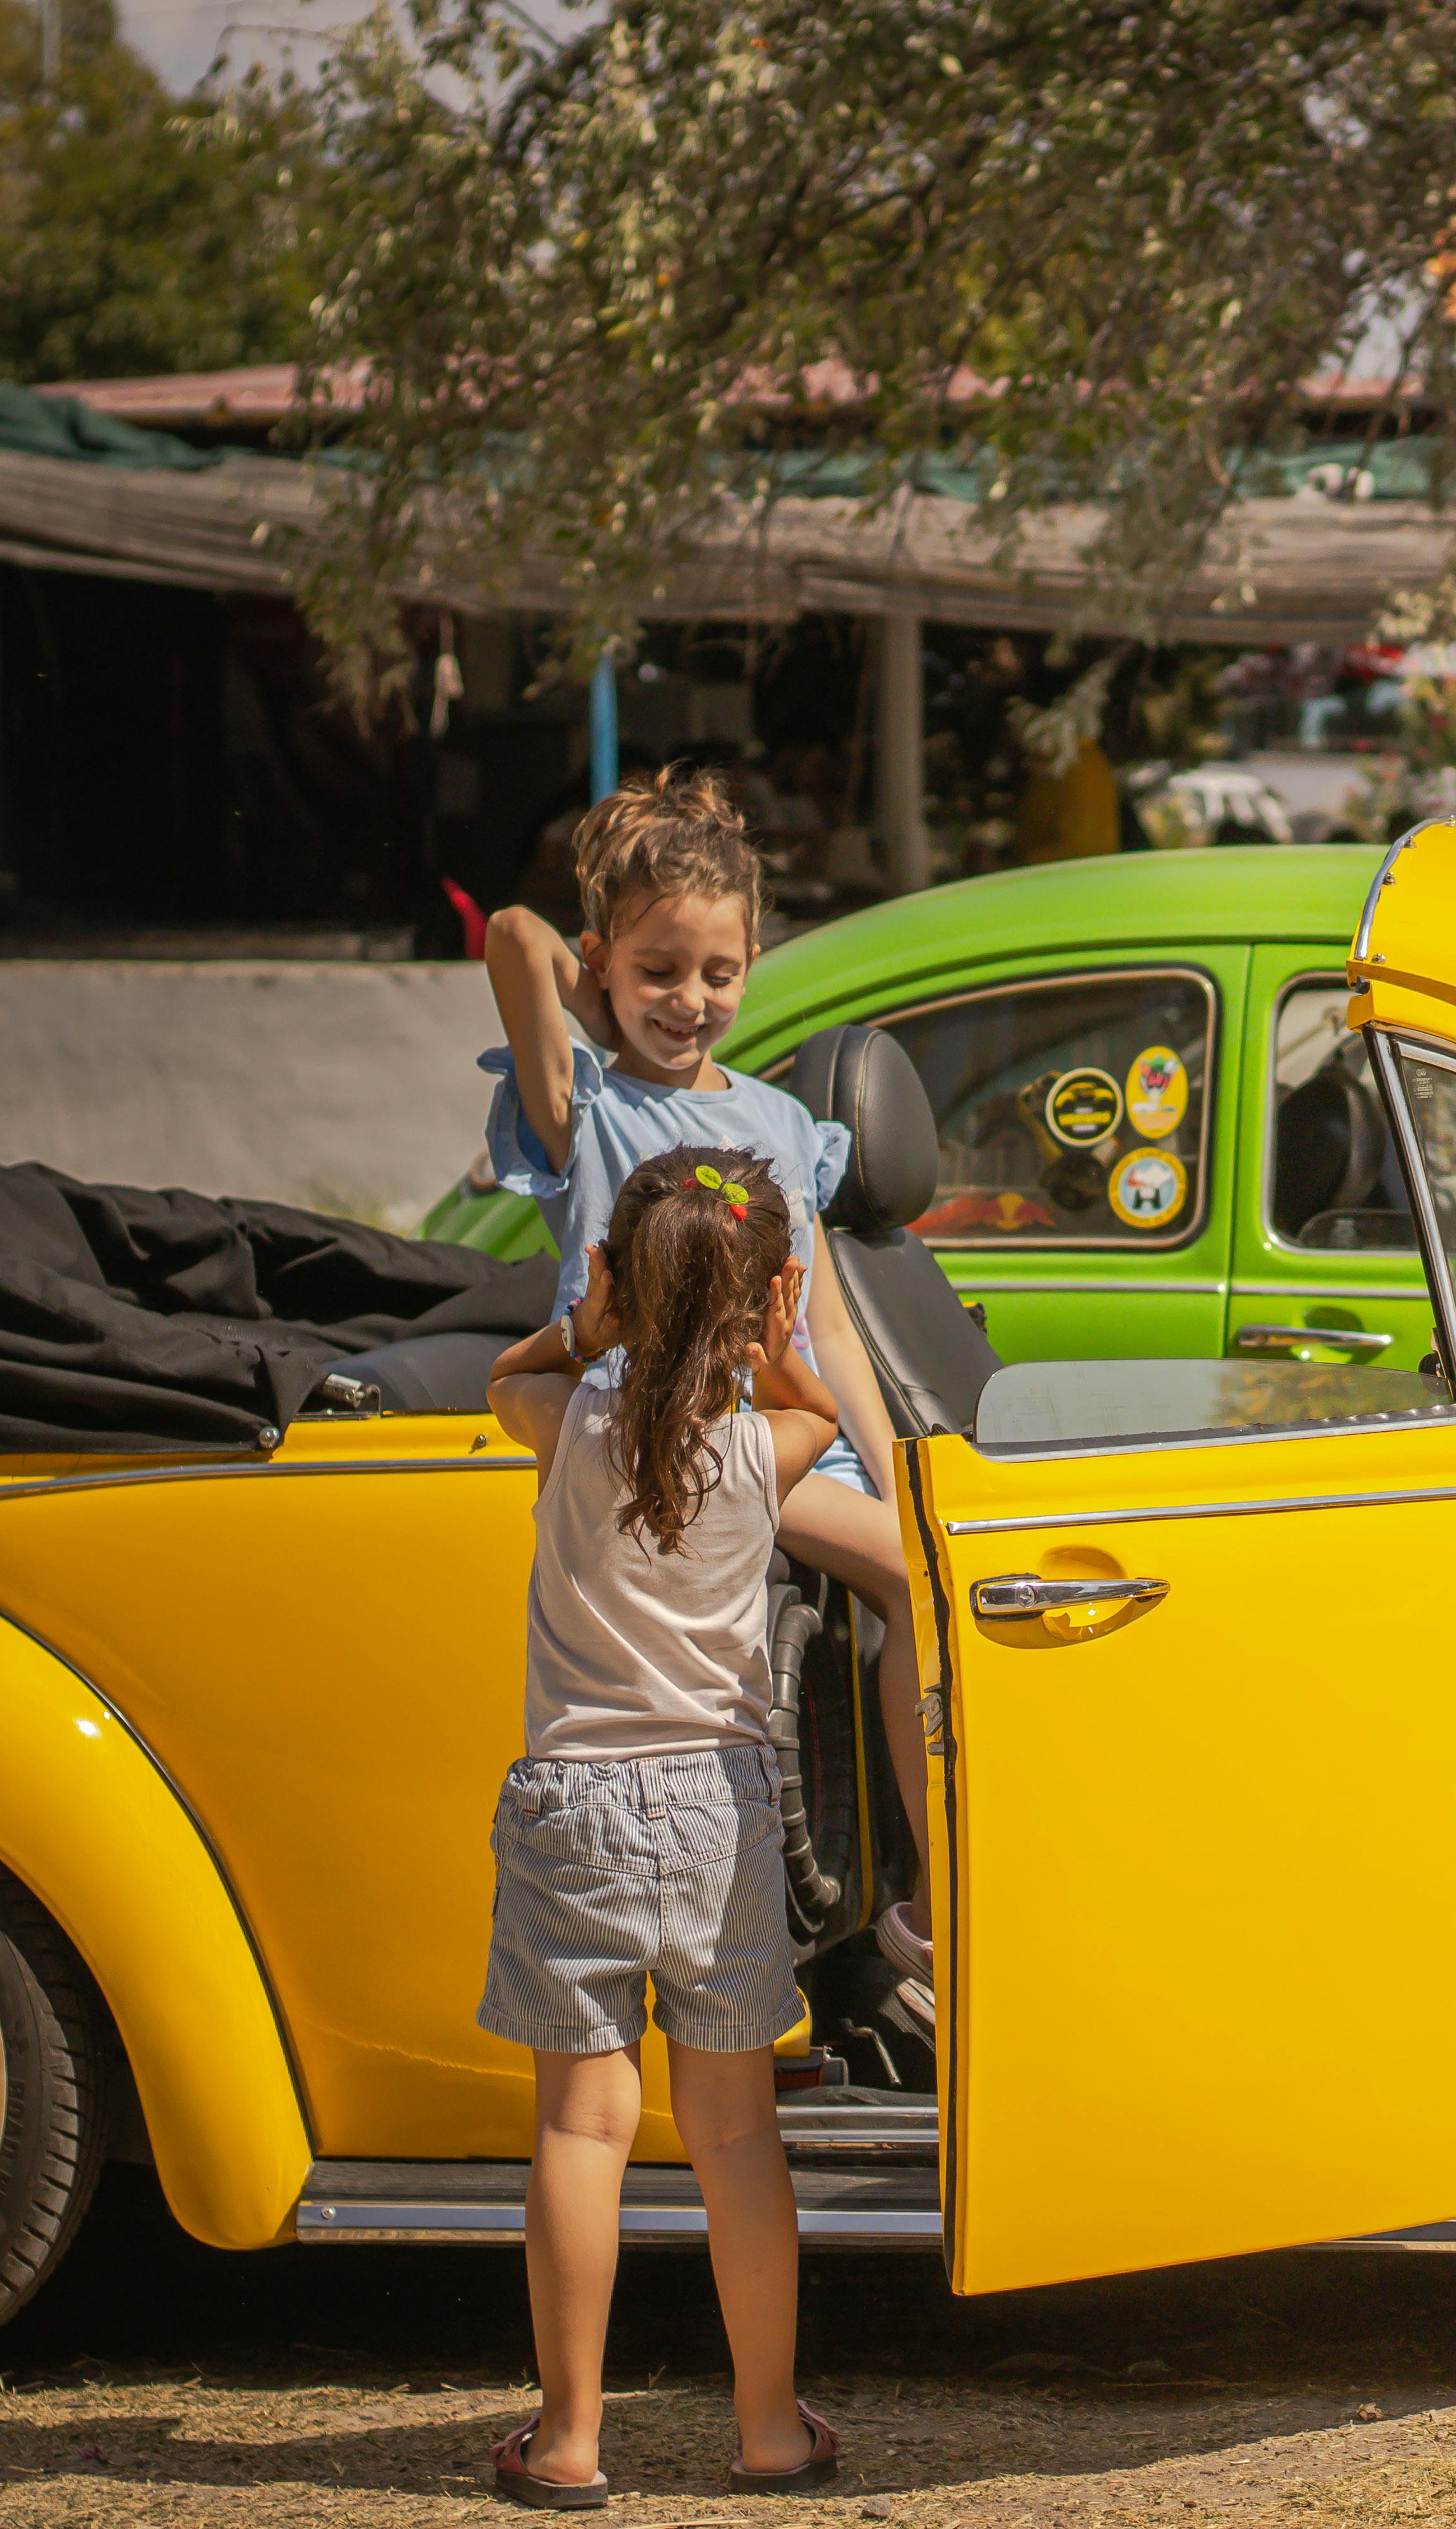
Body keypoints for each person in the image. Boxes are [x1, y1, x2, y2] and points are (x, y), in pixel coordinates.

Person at [480, 772, 941, 2031]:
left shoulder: (781, 1122)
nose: (691, 1000)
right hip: (660, 1436)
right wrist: (591, 998)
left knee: (935, 1563)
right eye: (659, 968)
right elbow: (507, 938)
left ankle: (930, 1894)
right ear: (604, 963)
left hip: (777, 1435)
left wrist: (903, 1472)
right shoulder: (583, 1111)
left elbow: (825, 1325)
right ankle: (936, 1914)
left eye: (719, 970)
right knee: (911, 1577)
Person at [480, 1149, 843, 2503]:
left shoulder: (562, 1419)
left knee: (584, 2129)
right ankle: (767, 2427)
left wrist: (592, 1322)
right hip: (720, 1808)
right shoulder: (767, 1447)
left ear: (615, 1282)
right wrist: (781, 1328)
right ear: (767, 1298)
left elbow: (506, 1375)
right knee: (737, 2136)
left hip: (572, 1802)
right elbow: (815, 1399)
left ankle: (569, 2440)